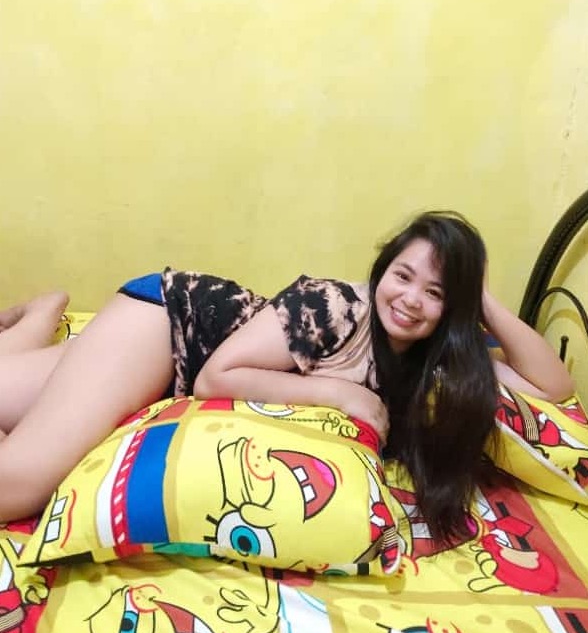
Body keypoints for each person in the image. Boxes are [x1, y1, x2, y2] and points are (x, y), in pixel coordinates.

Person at [0, 212, 574, 540]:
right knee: (17, 484)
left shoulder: (438, 360)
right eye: (402, 276)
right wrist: (335, 391)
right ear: (382, 271)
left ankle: (44, 314)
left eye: (436, 292)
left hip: (166, 373)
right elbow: (216, 378)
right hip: (170, 329)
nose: (410, 300)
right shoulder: (333, 306)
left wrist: (482, 299)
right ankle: (45, 321)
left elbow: (555, 389)